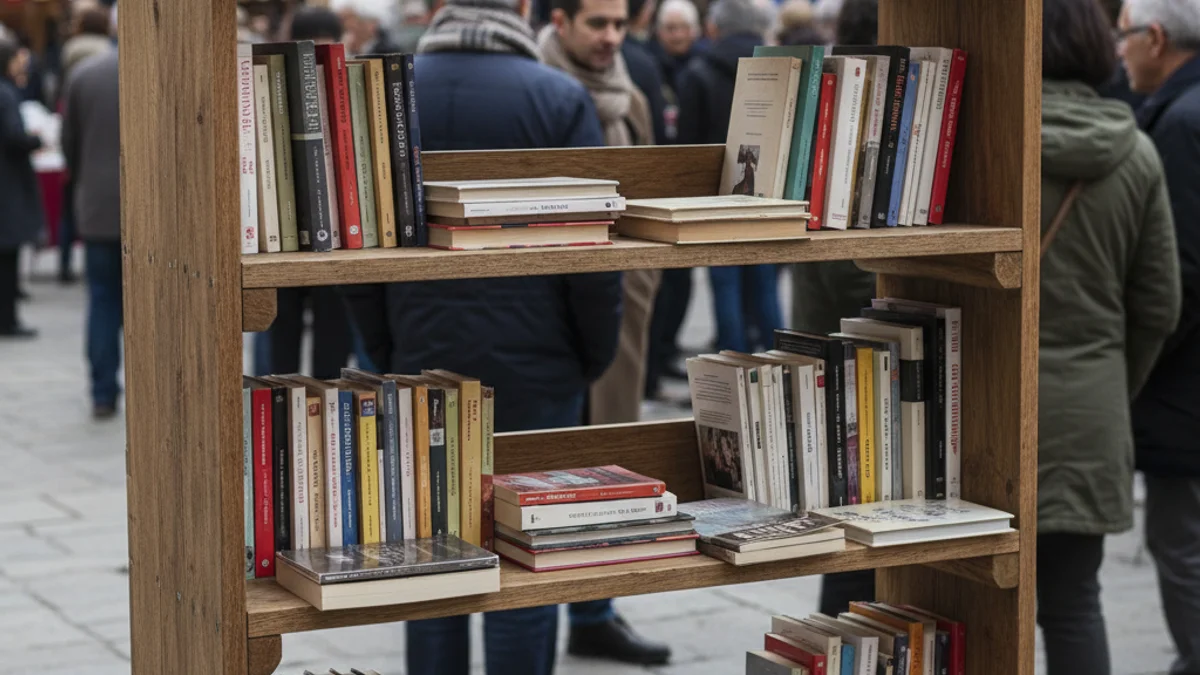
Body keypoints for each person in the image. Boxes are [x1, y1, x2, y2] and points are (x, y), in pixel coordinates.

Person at [342, 0, 621, 672]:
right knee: (526, 564)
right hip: (538, 361)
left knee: (426, 560)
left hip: (418, 351)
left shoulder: (387, 90)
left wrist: (383, 351)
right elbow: (593, 256)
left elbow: (358, 247)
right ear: (523, 8)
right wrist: (592, 356)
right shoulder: (558, 97)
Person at [1037, 0, 1183, 672]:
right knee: (1073, 603)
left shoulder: (979, 138)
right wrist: (1110, 381)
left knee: (957, 596)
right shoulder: (1139, 152)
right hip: (1088, 410)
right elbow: (1158, 302)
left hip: (967, 400)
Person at [537, 0, 671, 666]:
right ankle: (549, 604)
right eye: (597, 23)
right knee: (545, 467)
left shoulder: (631, 90)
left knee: (608, 458)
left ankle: (595, 608)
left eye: (619, 24)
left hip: (621, 297)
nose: (611, 38)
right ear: (559, 21)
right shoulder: (537, 84)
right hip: (551, 307)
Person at [1119, 1, 1200, 673]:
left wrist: (1135, 364)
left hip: (1185, 391)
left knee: (1182, 544)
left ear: (1155, 38)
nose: (1117, 50)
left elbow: (1178, 279)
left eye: (1124, 35)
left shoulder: (1179, 124)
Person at [251, 6, 368, 380]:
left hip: (280, 230)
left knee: (278, 337)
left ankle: (273, 403)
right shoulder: (350, 82)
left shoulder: (269, 84)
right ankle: (325, 411)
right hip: (336, 228)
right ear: (340, 40)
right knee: (332, 340)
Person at [674, 0, 782, 354]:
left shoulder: (697, 73)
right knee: (765, 283)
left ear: (714, 28)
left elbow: (686, 147)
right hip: (764, 189)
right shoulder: (776, 70)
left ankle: (732, 361)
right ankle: (775, 357)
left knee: (725, 284)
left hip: (714, 197)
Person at [62, 18, 121, 417]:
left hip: (99, 207)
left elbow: (70, 143)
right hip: (153, 211)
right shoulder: (161, 75)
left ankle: (102, 392)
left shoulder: (84, 74)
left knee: (101, 301)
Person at [56, 2, 112, 284]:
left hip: (91, 172)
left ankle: (64, 264)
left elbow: (69, 131)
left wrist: (74, 167)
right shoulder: (112, 60)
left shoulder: (73, 59)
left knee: (101, 294)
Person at [0, 37, 42, 339]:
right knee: (7, 256)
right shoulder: (7, 94)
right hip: (8, 183)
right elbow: (15, 136)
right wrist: (37, 140)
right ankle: (7, 319)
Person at [333, 0, 402, 55]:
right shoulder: (343, 44)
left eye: (348, 19)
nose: (348, 25)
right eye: (341, 20)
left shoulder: (389, 50)